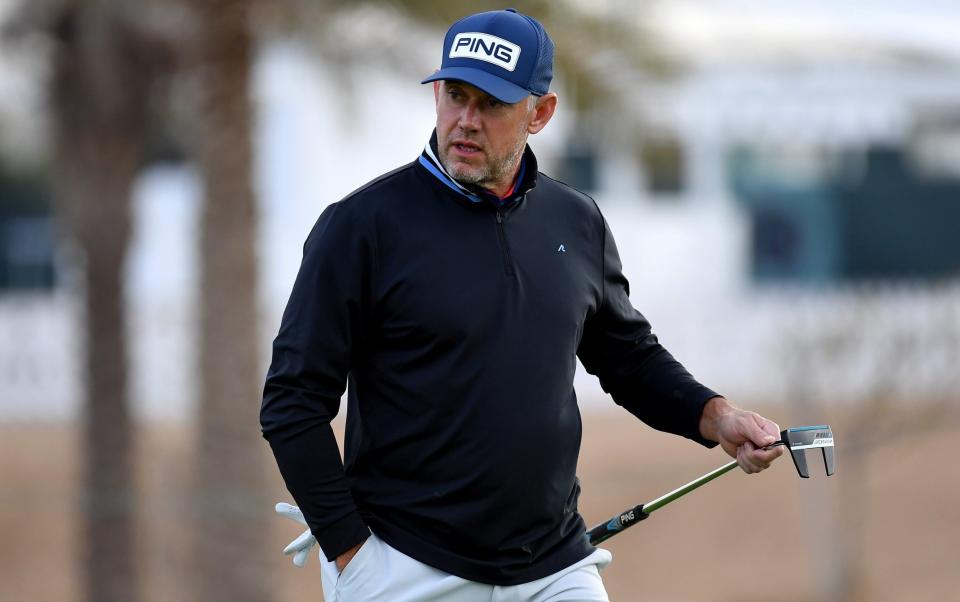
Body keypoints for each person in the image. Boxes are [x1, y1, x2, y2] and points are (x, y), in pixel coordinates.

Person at [260, 8, 784, 601]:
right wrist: (350, 552)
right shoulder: (362, 228)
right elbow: (292, 399)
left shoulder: (575, 220)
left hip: (554, 565)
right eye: (455, 95)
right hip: (404, 566)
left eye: (492, 104)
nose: (466, 120)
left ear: (540, 113)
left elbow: (628, 358)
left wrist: (717, 417)